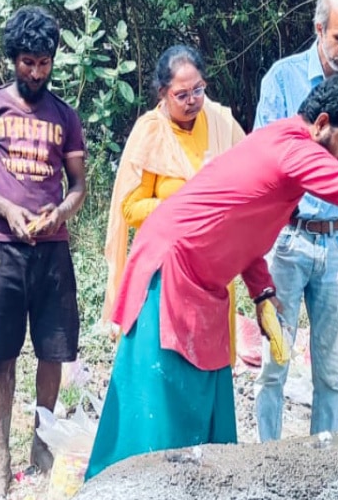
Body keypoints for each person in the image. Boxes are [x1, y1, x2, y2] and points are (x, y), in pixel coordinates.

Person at [86, 76, 338, 479]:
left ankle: (199, 487)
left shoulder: (285, 144)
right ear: (322, 123)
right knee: (159, 397)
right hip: (172, 265)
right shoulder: (294, 149)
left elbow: (239, 223)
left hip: (204, 275)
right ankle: (129, 483)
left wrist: (262, 291)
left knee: (206, 391)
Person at [0, 6, 88, 497]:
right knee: (2, 354)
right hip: (3, 249)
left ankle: (42, 440)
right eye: (27, 62)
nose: (36, 72)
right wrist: (8, 210)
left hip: (52, 251)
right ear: (13, 59)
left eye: (44, 63)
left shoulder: (65, 116)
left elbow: (77, 185)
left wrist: (60, 213)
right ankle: (0, 455)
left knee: (53, 350)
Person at [253, 0, 338, 442]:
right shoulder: (282, 80)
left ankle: (326, 463)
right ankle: (266, 459)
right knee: (275, 360)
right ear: (319, 30)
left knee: (330, 369)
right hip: (288, 238)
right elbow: (266, 160)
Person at [102, 44, 245, 330]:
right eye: (181, 95)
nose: (192, 100)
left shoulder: (220, 122)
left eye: (198, 90)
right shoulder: (151, 131)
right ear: (163, 94)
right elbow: (130, 208)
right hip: (166, 269)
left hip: (214, 265)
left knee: (210, 357)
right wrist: (184, 203)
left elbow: (249, 174)